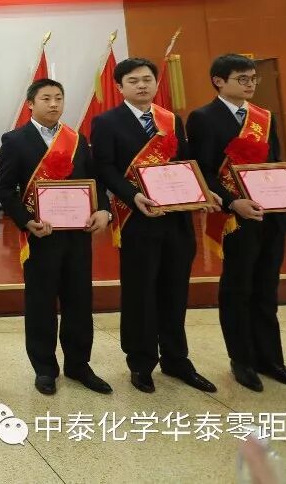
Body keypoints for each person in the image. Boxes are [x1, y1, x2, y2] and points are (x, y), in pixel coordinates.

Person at [186, 54, 286, 392]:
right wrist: (232, 202)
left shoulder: (264, 117)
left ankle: (271, 360)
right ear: (219, 81)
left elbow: (276, 163)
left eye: (253, 78)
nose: (250, 84)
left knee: (266, 289)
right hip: (235, 218)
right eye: (242, 78)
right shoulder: (203, 118)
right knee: (238, 289)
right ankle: (242, 360)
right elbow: (203, 170)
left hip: (271, 216)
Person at [91, 57, 219, 394]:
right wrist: (133, 196)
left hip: (177, 217)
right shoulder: (106, 122)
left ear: (156, 83)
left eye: (147, 79)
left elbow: (186, 162)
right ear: (119, 87)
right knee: (140, 292)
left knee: (175, 290)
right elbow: (104, 168)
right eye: (133, 81)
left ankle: (177, 359)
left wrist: (203, 191)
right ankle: (141, 361)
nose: (142, 85)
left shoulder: (170, 120)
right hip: (137, 219)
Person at [0, 79, 112, 396]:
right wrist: (26, 221)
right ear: (30, 104)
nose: (53, 104)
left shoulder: (76, 139)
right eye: (46, 98)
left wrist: (104, 209)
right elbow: (3, 189)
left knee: (79, 300)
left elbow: (95, 181)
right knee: (41, 303)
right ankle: (45, 368)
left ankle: (79, 365)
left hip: (78, 234)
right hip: (41, 235)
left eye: (58, 98)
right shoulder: (15, 140)